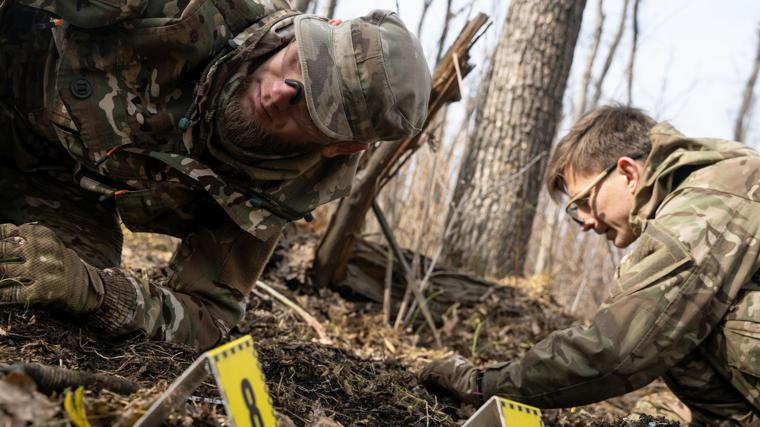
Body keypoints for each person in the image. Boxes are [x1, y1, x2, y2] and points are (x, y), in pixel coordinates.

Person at [0, 0, 431, 350]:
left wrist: (94, 289)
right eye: (301, 60)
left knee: (44, 284)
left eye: (311, 106)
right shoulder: (198, 8)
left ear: (341, 147)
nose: (280, 91)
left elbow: (206, 313)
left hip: (52, 178)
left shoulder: (280, 188)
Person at [421, 105, 760, 426]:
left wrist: (480, 384)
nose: (583, 222)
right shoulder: (707, 195)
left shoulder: (710, 203)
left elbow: (613, 349)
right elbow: (680, 360)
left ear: (627, 172)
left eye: (582, 202)